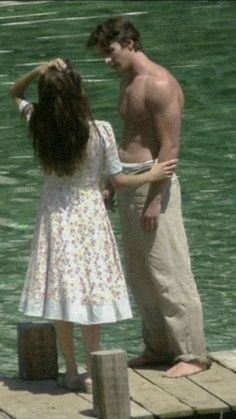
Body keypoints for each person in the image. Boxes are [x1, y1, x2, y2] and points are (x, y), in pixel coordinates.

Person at [10, 58, 177, 392]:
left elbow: (14, 91)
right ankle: (91, 370)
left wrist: (38, 69)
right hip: (89, 216)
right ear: (78, 93)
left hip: (54, 215)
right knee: (89, 290)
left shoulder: (39, 123)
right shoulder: (100, 130)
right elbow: (118, 180)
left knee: (61, 290)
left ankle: (70, 371)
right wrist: (153, 174)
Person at [87, 16, 211, 378]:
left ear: (129, 42)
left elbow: (170, 146)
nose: (106, 61)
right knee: (141, 273)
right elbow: (129, 137)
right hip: (129, 183)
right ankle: (158, 347)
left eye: (109, 52)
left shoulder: (160, 83)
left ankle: (193, 353)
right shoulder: (129, 81)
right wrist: (113, 182)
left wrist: (157, 197)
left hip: (154, 185)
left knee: (169, 268)